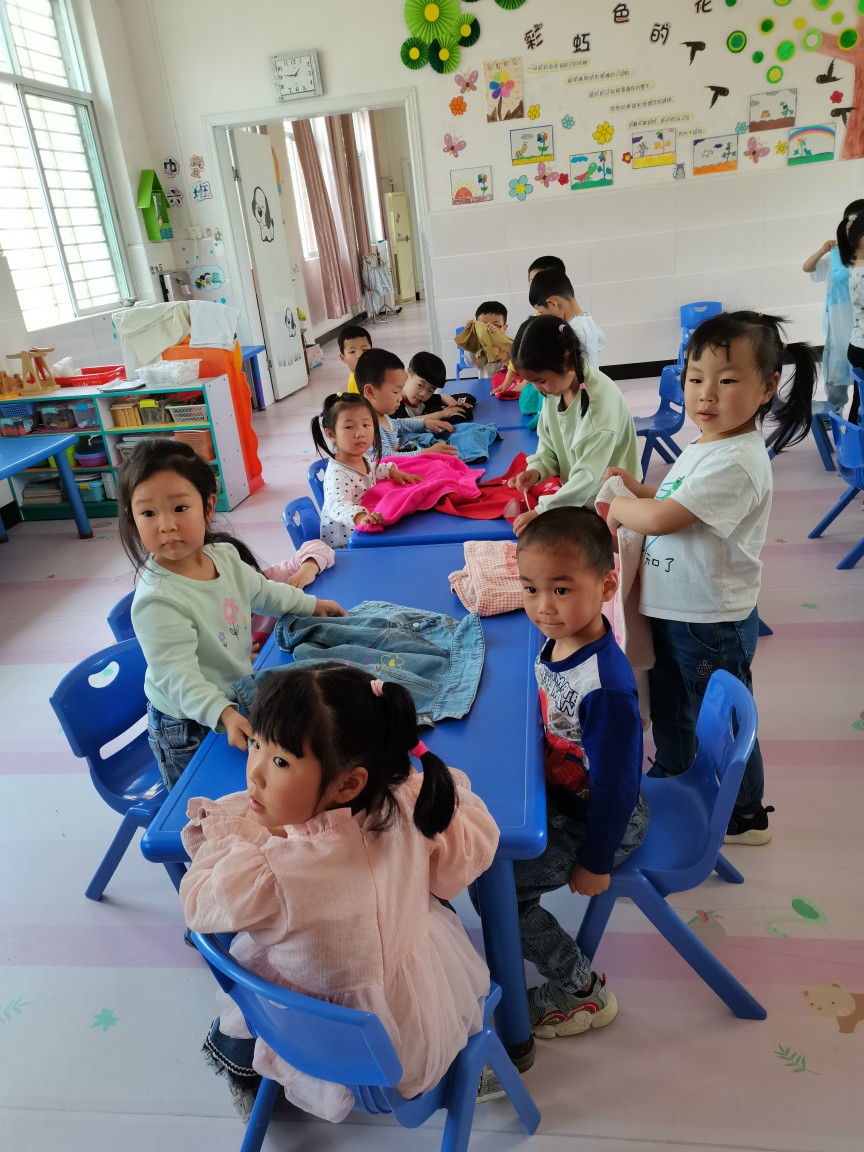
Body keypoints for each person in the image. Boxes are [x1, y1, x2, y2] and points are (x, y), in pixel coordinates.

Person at [180, 663, 500, 1123]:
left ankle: (241, 1069)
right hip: (414, 1019)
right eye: (257, 744)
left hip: (308, 1038)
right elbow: (451, 875)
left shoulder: (273, 873)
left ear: (349, 783)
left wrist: (246, 835)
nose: (255, 774)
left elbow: (199, 903)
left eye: (280, 762)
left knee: (248, 980)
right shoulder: (413, 801)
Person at [606, 311, 817, 845]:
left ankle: (747, 816)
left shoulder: (738, 461)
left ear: (767, 387)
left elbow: (663, 518)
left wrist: (620, 509)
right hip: (676, 610)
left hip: (709, 621)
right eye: (695, 377)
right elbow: (675, 500)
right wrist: (637, 488)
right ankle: (675, 771)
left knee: (721, 722)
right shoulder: (709, 443)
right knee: (672, 704)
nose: (705, 394)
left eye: (726, 380)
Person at [118, 439, 346, 789]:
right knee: (206, 803)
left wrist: (311, 605)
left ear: (208, 505)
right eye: (148, 513)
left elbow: (264, 593)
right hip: (186, 723)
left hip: (230, 697)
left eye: (179, 507)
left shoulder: (223, 556)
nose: (166, 525)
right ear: (132, 518)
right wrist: (221, 713)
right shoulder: (157, 600)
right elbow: (178, 678)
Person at [502, 508, 649, 1040]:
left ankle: (580, 989)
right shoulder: (559, 637)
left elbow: (618, 784)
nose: (543, 606)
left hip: (604, 821)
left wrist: (596, 859)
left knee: (496, 888)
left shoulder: (604, 687)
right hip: (568, 800)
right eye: (531, 588)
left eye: (561, 590)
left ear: (607, 584)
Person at [506, 315, 641, 536]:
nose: (538, 389)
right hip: (579, 496)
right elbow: (549, 444)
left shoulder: (599, 407)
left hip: (613, 504)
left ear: (567, 361)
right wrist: (536, 470)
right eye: (532, 383)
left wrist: (543, 511)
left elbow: (588, 477)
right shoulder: (555, 389)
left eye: (540, 381)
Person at [310, 391, 420, 548]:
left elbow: (373, 469)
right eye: (349, 427)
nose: (360, 433)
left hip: (369, 524)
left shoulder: (362, 456)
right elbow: (337, 505)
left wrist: (391, 471)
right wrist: (359, 517)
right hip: (348, 543)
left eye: (366, 425)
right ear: (331, 434)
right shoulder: (337, 473)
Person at [206, 531, 335, 654]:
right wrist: (240, 660)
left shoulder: (275, 577)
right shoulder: (213, 620)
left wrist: (308, 568)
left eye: (247, 574)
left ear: (254, 568)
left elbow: (318, 546)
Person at [802, 199, 864, 414]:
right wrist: (822, 250)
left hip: (860, 327)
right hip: (839, 323)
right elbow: (808, 268)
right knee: (838, 372)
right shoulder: (835, 254)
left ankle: (856, 416)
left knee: (860, 379)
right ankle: (836, 411)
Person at [356, 348, 458, 457]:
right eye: (395, 392)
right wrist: (425, 452)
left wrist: (424, 423)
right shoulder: (367, 428)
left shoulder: (382, 416)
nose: (400, 398)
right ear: (370, 392)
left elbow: (399, 424)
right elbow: (387, 458)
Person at [493, 255, 566, 399]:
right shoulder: (538, 316)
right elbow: (521, 350)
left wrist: (526, 383)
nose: (537, 286)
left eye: (542, 280)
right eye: (533, 281)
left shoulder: (570, 325)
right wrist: (507, 383)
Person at [528, 270, 606, 370]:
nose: (543, 317)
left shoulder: (575, 329)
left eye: (542, 313)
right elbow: (601, 343)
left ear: (552, 303)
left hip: (582, 380)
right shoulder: (588, 320)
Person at [395, 350, 474, 422]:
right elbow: (404, 423)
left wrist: (453, 404)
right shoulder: (394, 401)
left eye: (431, 390)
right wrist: (442, 414)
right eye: (420, 385)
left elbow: (442, 396)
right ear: (406, 375)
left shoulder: (421, 400)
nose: (423, 394)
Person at [843, 212, 864, 425]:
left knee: (860, 397)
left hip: (858, 343)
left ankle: (853, 433)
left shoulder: (856, 264)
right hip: (862, 346)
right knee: (861, 399)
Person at [459, 301, 511, 378]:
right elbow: (470, 362)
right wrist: (471, 336)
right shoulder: (478, 346)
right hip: (485, 383)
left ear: (504, 328)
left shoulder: (510, 344)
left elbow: (516, 364)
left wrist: (498, 339)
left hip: (509, 384)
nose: (490, 329)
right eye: (484, 326)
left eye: (496, 325)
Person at [337, 323, 372, 394]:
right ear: (343, 358)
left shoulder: (376, 373)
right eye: (352, 351)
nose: (360, 355)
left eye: (364, 350)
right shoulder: (357, 384)